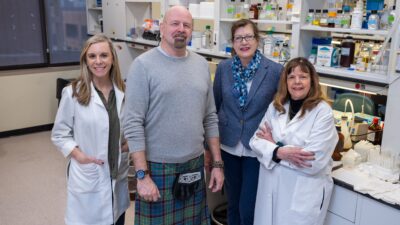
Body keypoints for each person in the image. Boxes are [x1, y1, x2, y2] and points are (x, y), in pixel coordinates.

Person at [122, 5, 224, 225]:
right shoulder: (143, 66)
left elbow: (210, 117)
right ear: (162, 26)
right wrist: (142, 176)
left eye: (186, 25)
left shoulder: (200, 65)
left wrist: (217, 164)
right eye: (175, 23)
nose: (181, 29)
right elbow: (132, 123)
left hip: (194, 165)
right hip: (158, 168)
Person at [249, 57, 339, 225]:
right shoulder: (276, 107)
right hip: (271, 189)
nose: (297, 82)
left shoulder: (322, 112)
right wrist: (280, 152)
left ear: (312, 81)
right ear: (286, 81)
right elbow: (255, 142)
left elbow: (312, 161)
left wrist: (274, 149)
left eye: (303, 76)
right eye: (291, 77)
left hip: (301, 196)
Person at [51, 34, 129, 225]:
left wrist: (127, 145)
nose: (98, 61)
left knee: (116, 218)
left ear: (112, 59)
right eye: (92, 56)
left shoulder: (124, 92)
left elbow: (129, 128)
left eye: (104, 55)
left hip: (117, 173)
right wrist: (78, 155)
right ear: (85, 60)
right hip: (89, 173)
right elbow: (59, 134)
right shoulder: (73, 93)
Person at [213, 19, 282, 225]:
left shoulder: (275, 71)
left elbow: (280, 111)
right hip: (228, 145)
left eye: (248, 37)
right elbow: (215, 106)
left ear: (257, 40)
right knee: (232, 204)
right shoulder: (224, 68)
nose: (244, 42)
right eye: (238, 38)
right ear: (233, 43)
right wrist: (210, 147)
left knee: (248, 207)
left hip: (256, 148)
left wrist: (276, 139)